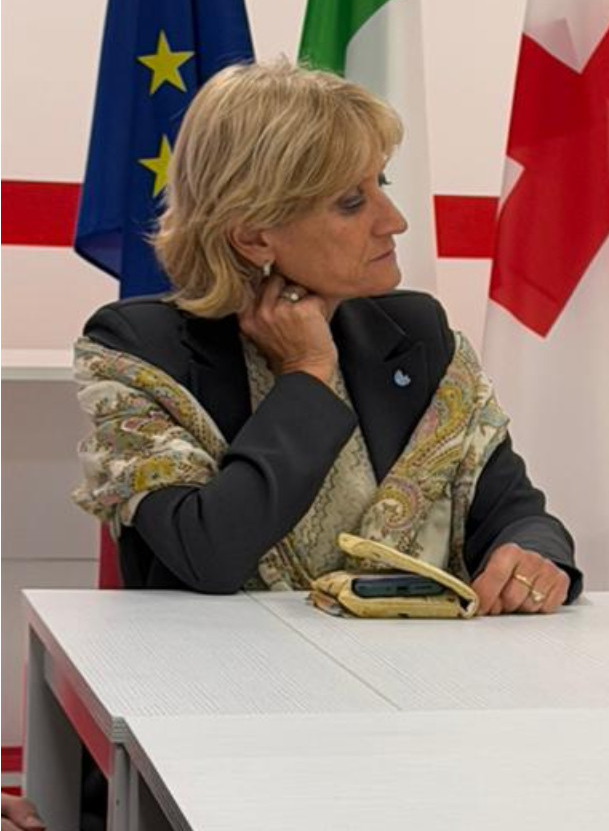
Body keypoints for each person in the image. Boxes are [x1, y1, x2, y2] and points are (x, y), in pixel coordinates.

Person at [71, 60, 578, 614]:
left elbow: (517, 514)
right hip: (219, 666)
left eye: (381, 184)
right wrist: (308, 373)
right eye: (351, 202)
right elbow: (210, 553)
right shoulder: (139, 349)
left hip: (418, 665)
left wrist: (533, 556)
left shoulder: (416, 333)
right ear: (253, 236)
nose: (394, 220)